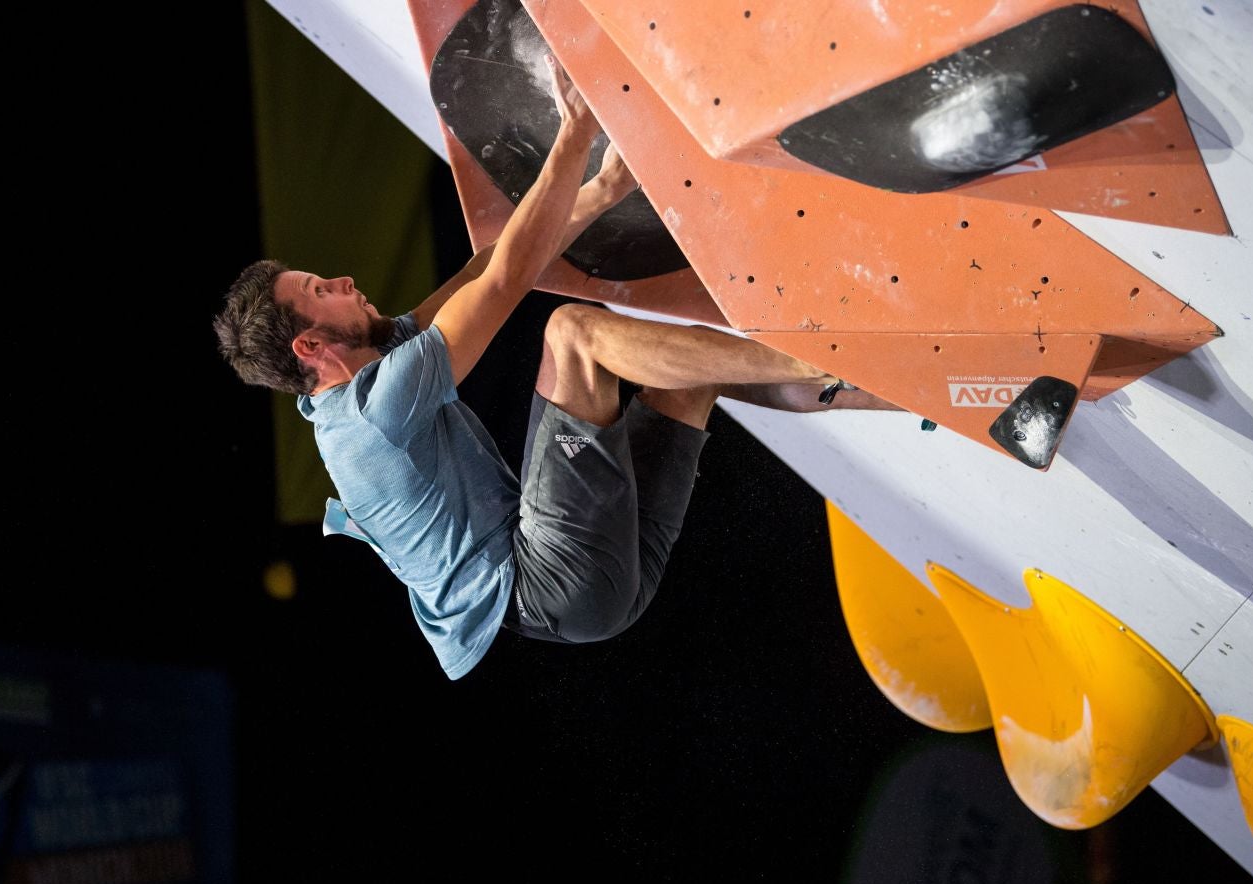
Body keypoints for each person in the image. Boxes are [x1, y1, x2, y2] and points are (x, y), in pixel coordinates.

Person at [215, 55, 901, 680]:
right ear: (310, 347)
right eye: (320, 292)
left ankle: (888, 390)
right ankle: (824, 355)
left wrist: (601, 191)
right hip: (546, 580)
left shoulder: (372, 364)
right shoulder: (374, 413)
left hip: (588, 595)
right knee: (574, 334)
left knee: (685, 365)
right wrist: (574, 133)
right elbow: (509, 278)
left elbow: (479, 270)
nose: (341, 279)